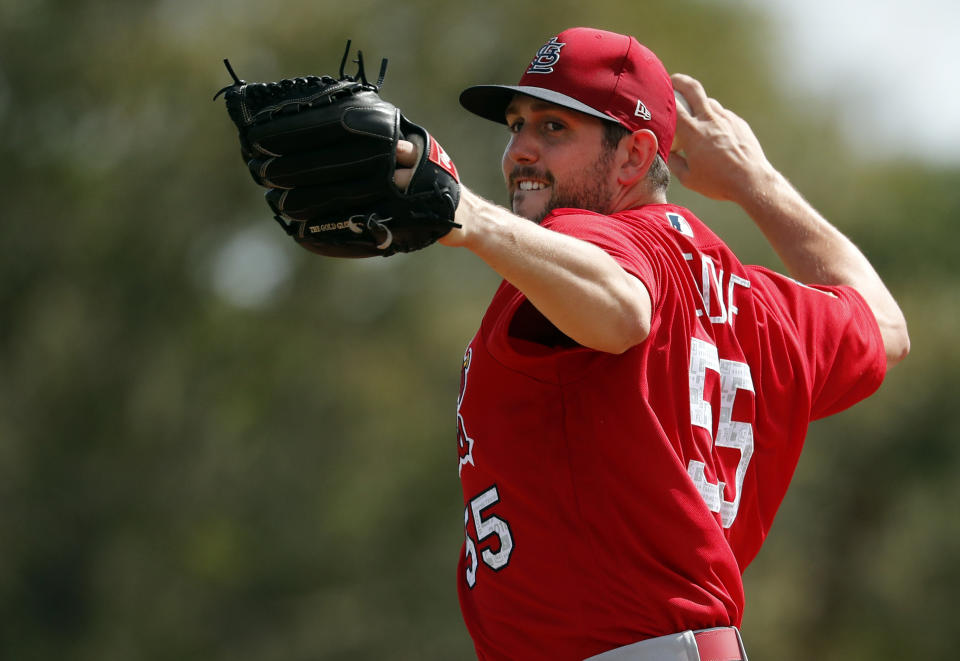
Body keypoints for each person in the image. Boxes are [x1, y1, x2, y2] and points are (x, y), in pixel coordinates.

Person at [395, 26, 908, 660]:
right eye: (516, 125)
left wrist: (466, 217)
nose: (519, 151)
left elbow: (623, 310)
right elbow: (885, 329)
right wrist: (755, 182)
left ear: (635, 158)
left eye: (554, 129)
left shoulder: (598, 239)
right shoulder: (759, 304)